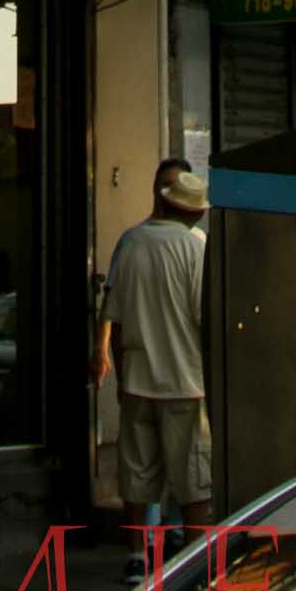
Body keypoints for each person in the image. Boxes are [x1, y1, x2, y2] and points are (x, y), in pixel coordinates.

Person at [99, 160, 213, 536]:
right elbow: (205, 319)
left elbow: (114, 316)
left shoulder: (131, 243)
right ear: (194, 212)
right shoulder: (195, 248)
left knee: (137, 475)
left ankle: (136, 555)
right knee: (194, 481)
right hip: (185, 384)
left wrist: (118, 372)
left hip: (138, 381)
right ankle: (196, 558)